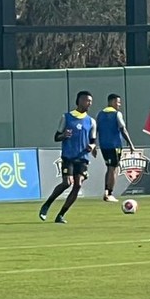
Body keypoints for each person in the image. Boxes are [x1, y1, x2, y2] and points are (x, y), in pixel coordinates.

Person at [40, 91, 97, 224]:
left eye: (90, 101)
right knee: (67, 183)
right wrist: (64, 135)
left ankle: (60, 214)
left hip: (82, 158)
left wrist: (92, 147)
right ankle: (47, 205)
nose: (89, 103)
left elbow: (93, 141)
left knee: (78, 185)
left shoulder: (91, 121)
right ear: (79, 101)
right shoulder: (67, 117)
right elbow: (56, 137)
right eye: (87, 100)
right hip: (68, 157)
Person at [97, 93, 136, 202]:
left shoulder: (100, 114)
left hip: (104, 146)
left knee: (109, 167)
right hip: (114, 146)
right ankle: (109, 193)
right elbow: (123, 129)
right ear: (112, 102)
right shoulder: (116, 114)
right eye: (118, 102)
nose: (119, 104)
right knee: (113, 169)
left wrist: (94, 144)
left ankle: (106, 191)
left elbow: (96, 129)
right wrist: (131, 144)